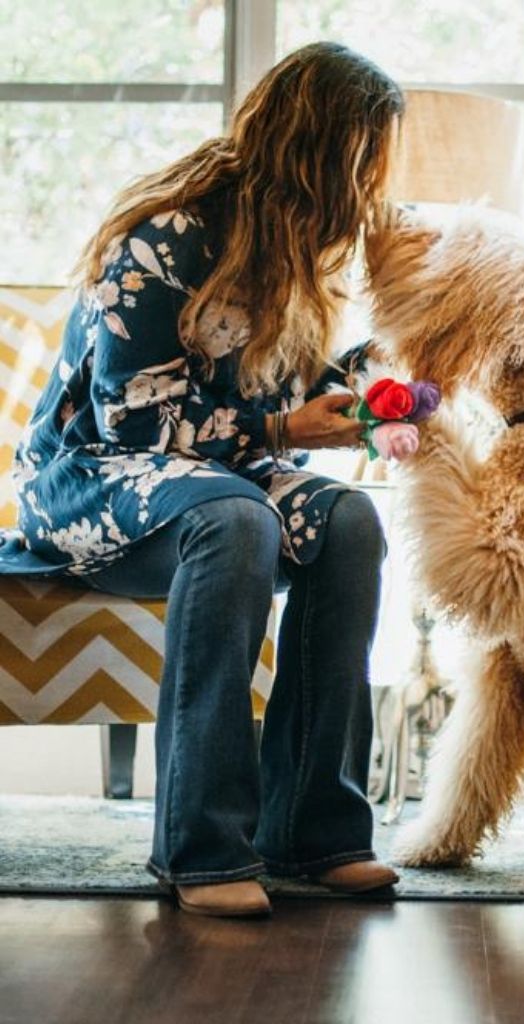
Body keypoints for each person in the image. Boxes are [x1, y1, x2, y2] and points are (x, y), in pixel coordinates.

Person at [0, 42, 406, 918]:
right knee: (239, 520)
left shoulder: (294, 253)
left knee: (350, 525)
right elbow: (132, 421)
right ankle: (203, 846)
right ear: (324, 148)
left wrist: (348, 394)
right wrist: (280, 428)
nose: (376, 179)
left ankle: (315, 829)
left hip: (221, 475)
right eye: (371, 154)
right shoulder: (164, 236)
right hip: (90, 481)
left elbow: (269, 382)